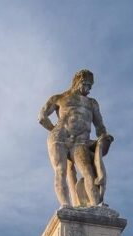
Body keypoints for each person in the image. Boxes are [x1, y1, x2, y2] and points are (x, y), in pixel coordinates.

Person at [39, 69, 114, 208]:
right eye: (87, 85)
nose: (89, 89)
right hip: (59, 137)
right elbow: (42, 116)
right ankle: (65, 204)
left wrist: (104, 138)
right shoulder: (59, 98)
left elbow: (100, 126)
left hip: (80, 141)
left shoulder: (92, 103)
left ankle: (95, 203)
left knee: (88, 172)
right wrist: (54, 129)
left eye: (91, 86)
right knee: (60, 170)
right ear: (79, 82)